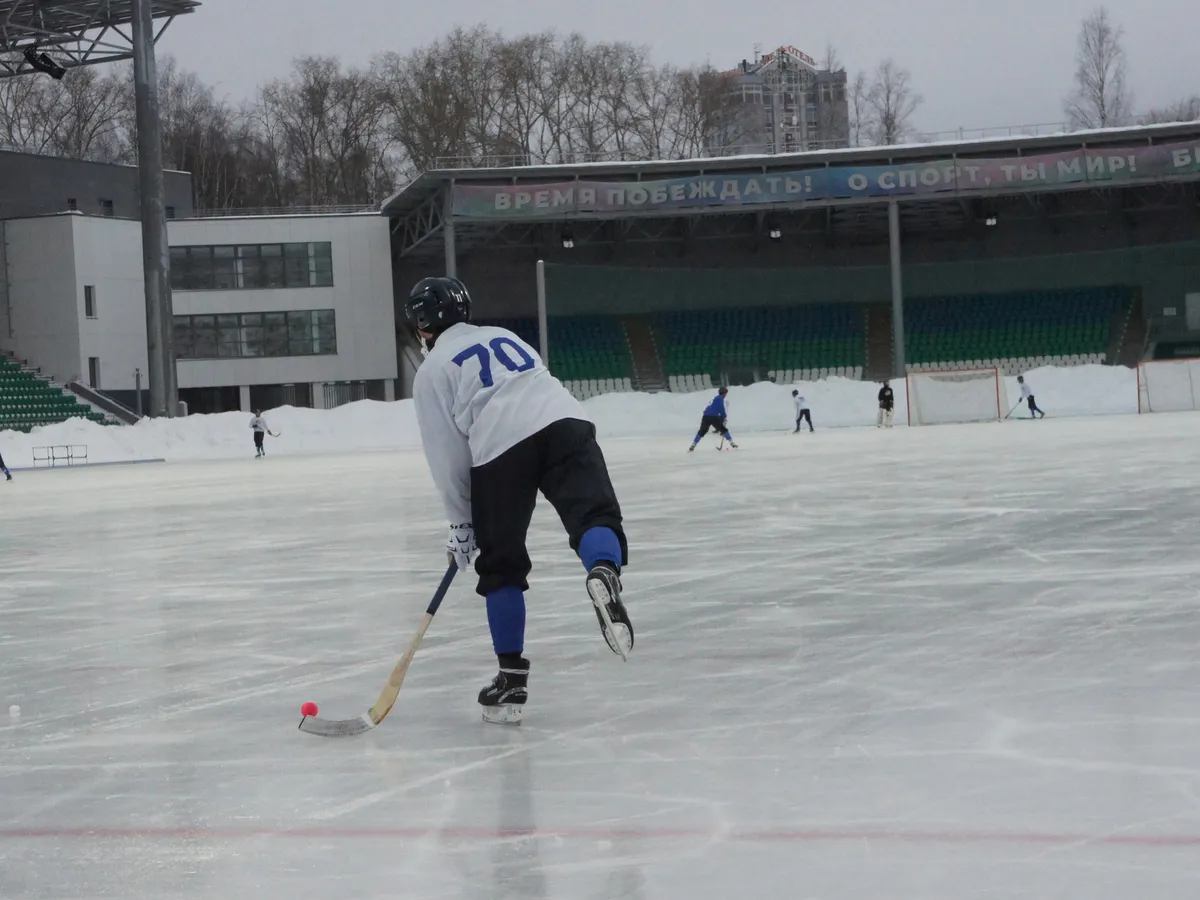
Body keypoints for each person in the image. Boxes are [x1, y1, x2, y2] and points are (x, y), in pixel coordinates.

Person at [405, 275, 632, 725]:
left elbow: (448, 459)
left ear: (424, 324)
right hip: (566, 420)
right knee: (592, 514)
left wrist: (462, 525)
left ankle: (511, 680)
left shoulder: (432, 371)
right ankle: (603, 569)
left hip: (501, 443)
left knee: (502, 561)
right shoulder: (504, 336)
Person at [689, 386, 737, 451]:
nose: (726, 395)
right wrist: (724, 416)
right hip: (713, 416)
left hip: (706, 416)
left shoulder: (715, 398)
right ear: (724, 393)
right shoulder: (720, 398)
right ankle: (732, 443)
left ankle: (693, 445)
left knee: (702, 431)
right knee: (723, 429)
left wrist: (721, 417)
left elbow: (712, 408)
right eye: (726, 393)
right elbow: (721, 408)